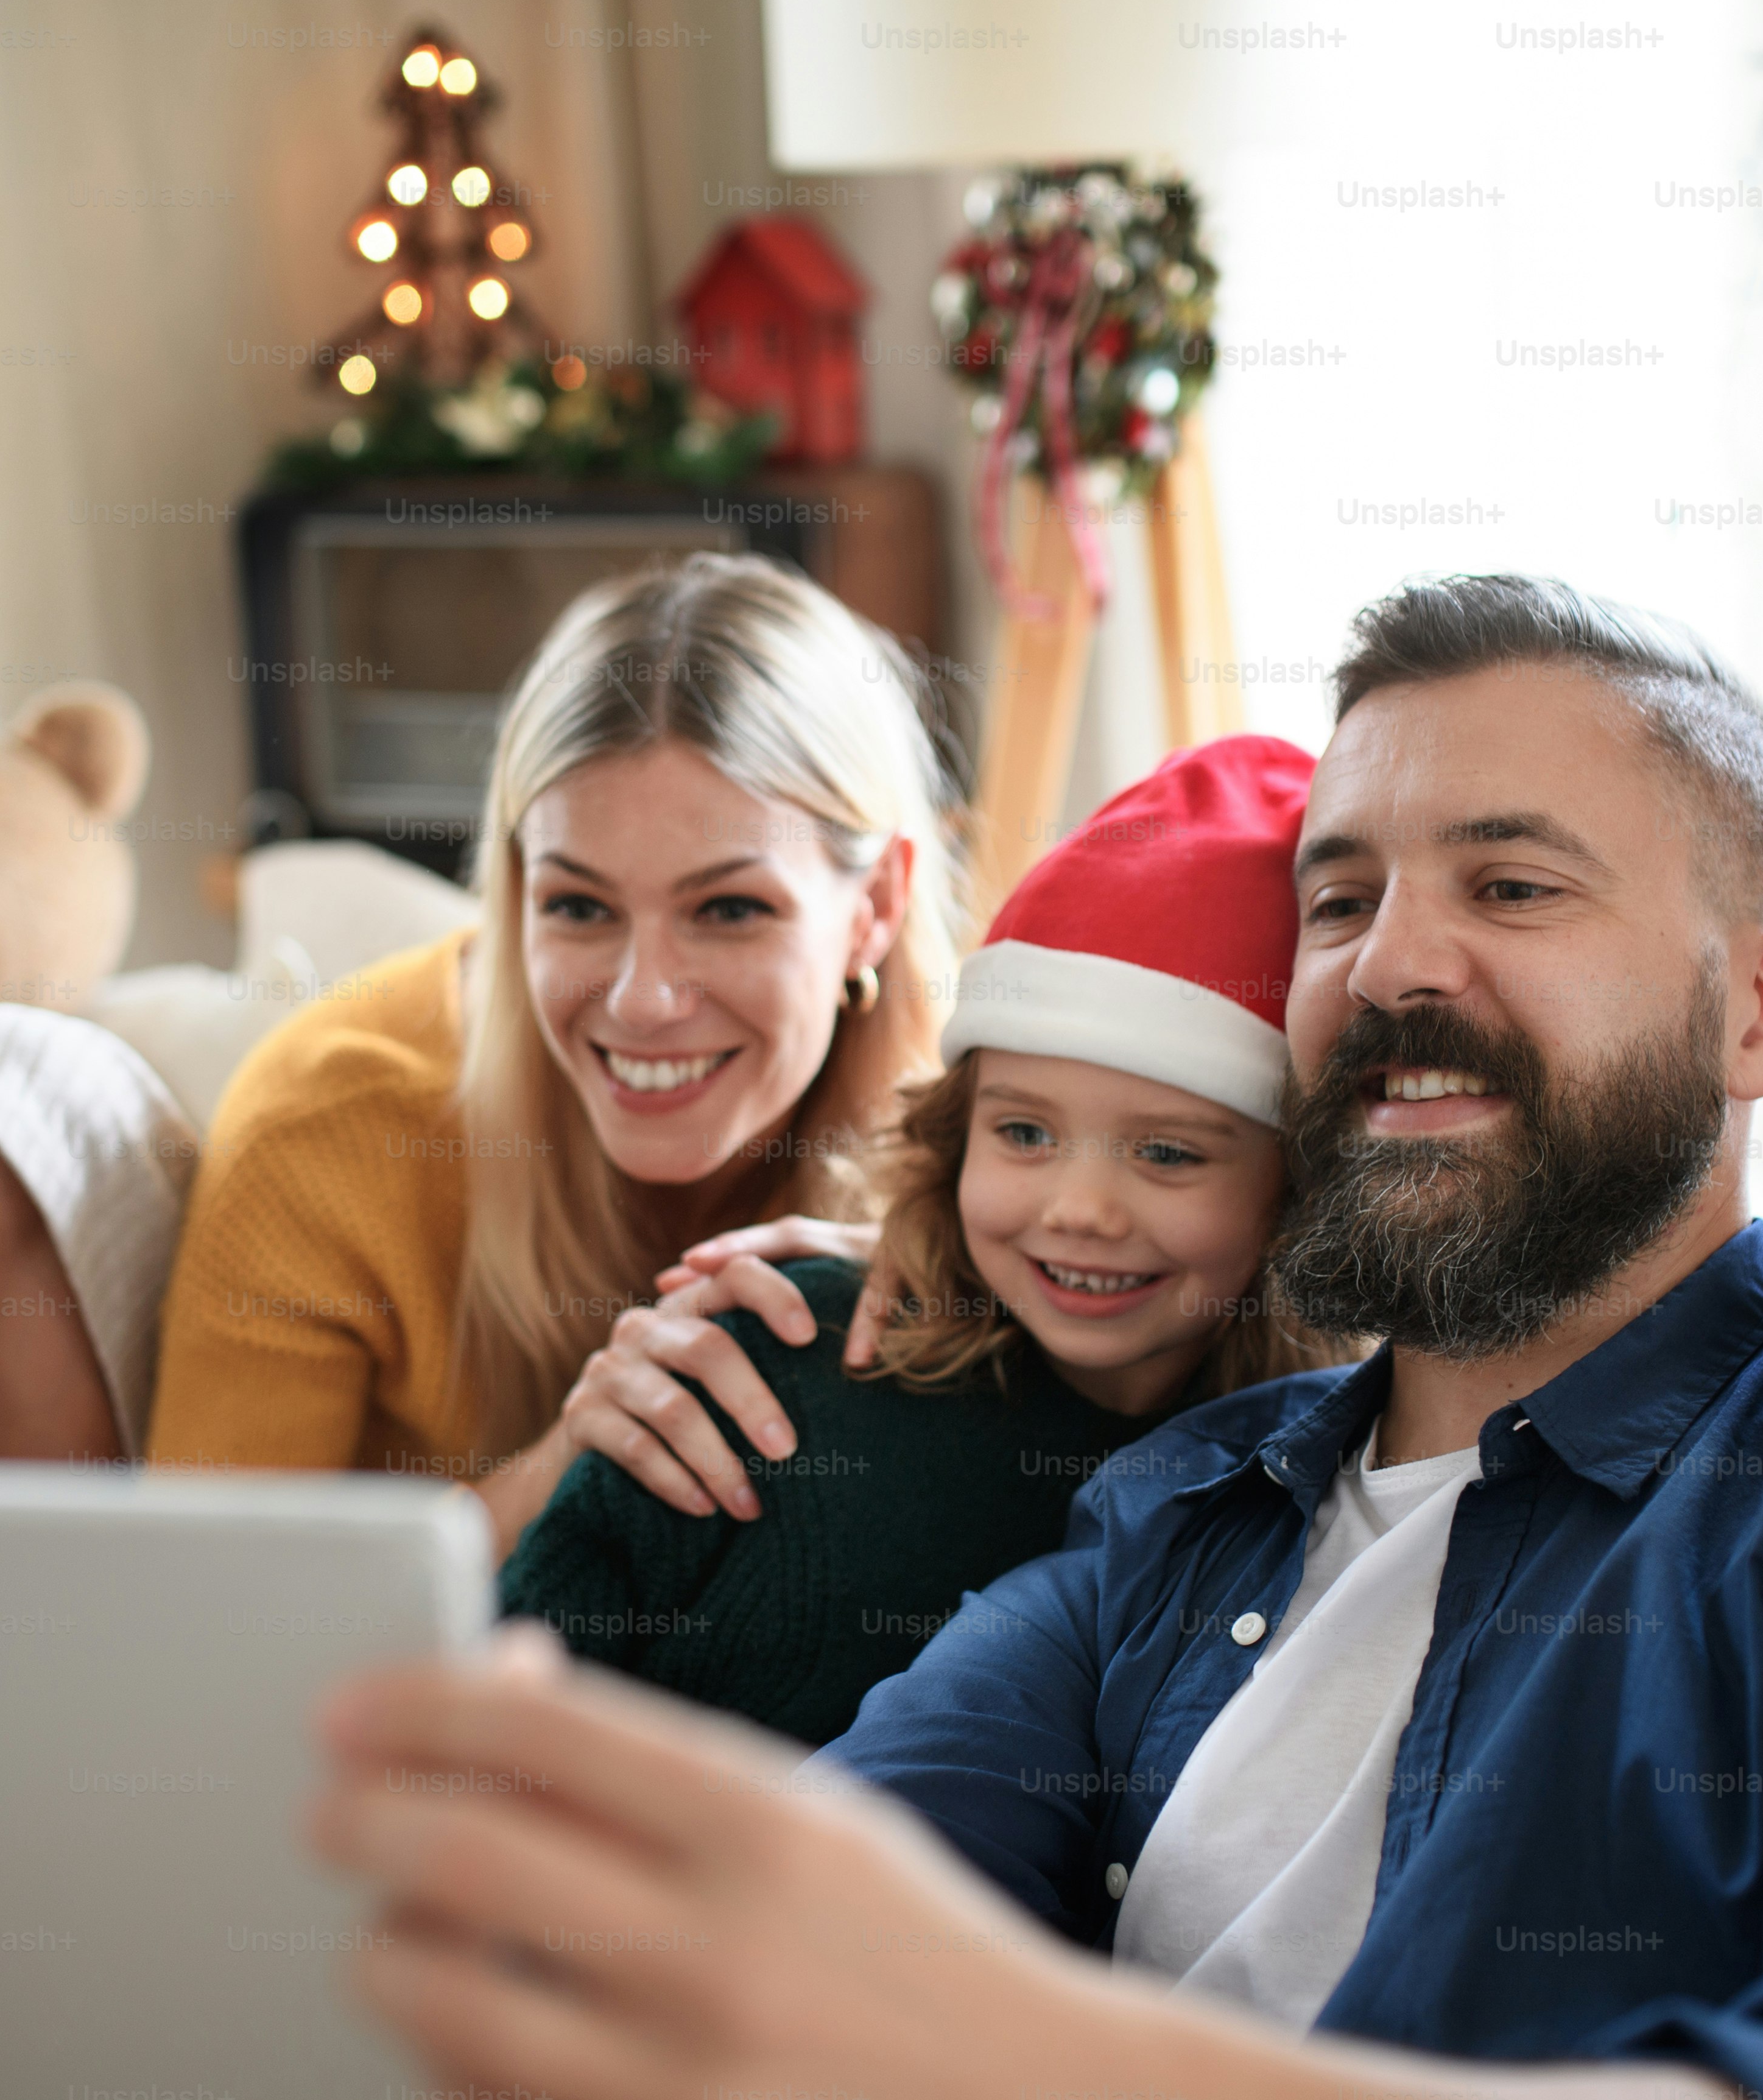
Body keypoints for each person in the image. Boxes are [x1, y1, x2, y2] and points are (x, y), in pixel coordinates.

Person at [307, 574, 1763, 2098]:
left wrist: (1025, 2048)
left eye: (1510, 882)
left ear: (1759, 1012)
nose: (1396, 959)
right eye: (1339, 899)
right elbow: (825, 1896)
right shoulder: (1178, 1520)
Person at [0, 553, 960, 1546]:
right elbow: (219, 1644)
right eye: (578, 906)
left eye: (729, 909)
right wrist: (554, 1479)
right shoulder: (328, 1123)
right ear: (509, 892)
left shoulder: (996, 1134)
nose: (643, 1000)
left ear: (874, 905)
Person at [497, 736, 1356, 1743]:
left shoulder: (1313, 1484)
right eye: (1023, 1132)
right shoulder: (784, 1352)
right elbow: (492, 1695)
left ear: (1298, 1196)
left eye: (1167, 1153)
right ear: (953, 1139)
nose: (1080, 1208)